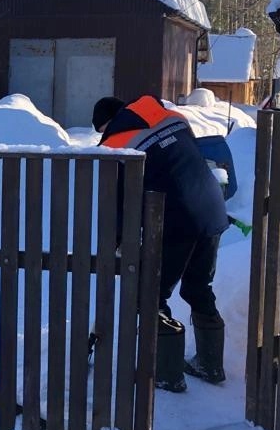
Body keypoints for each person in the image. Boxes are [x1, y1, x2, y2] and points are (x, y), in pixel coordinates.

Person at [93, 95, 229, 392]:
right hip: (212, 209)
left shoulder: (118, 143)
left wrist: (117, 240)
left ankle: (166, 374)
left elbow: (120, 202)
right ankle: (210, 364)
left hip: (177, 218)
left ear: (107, 123)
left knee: (152, 295)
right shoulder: (173, 118)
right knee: (198, 288)